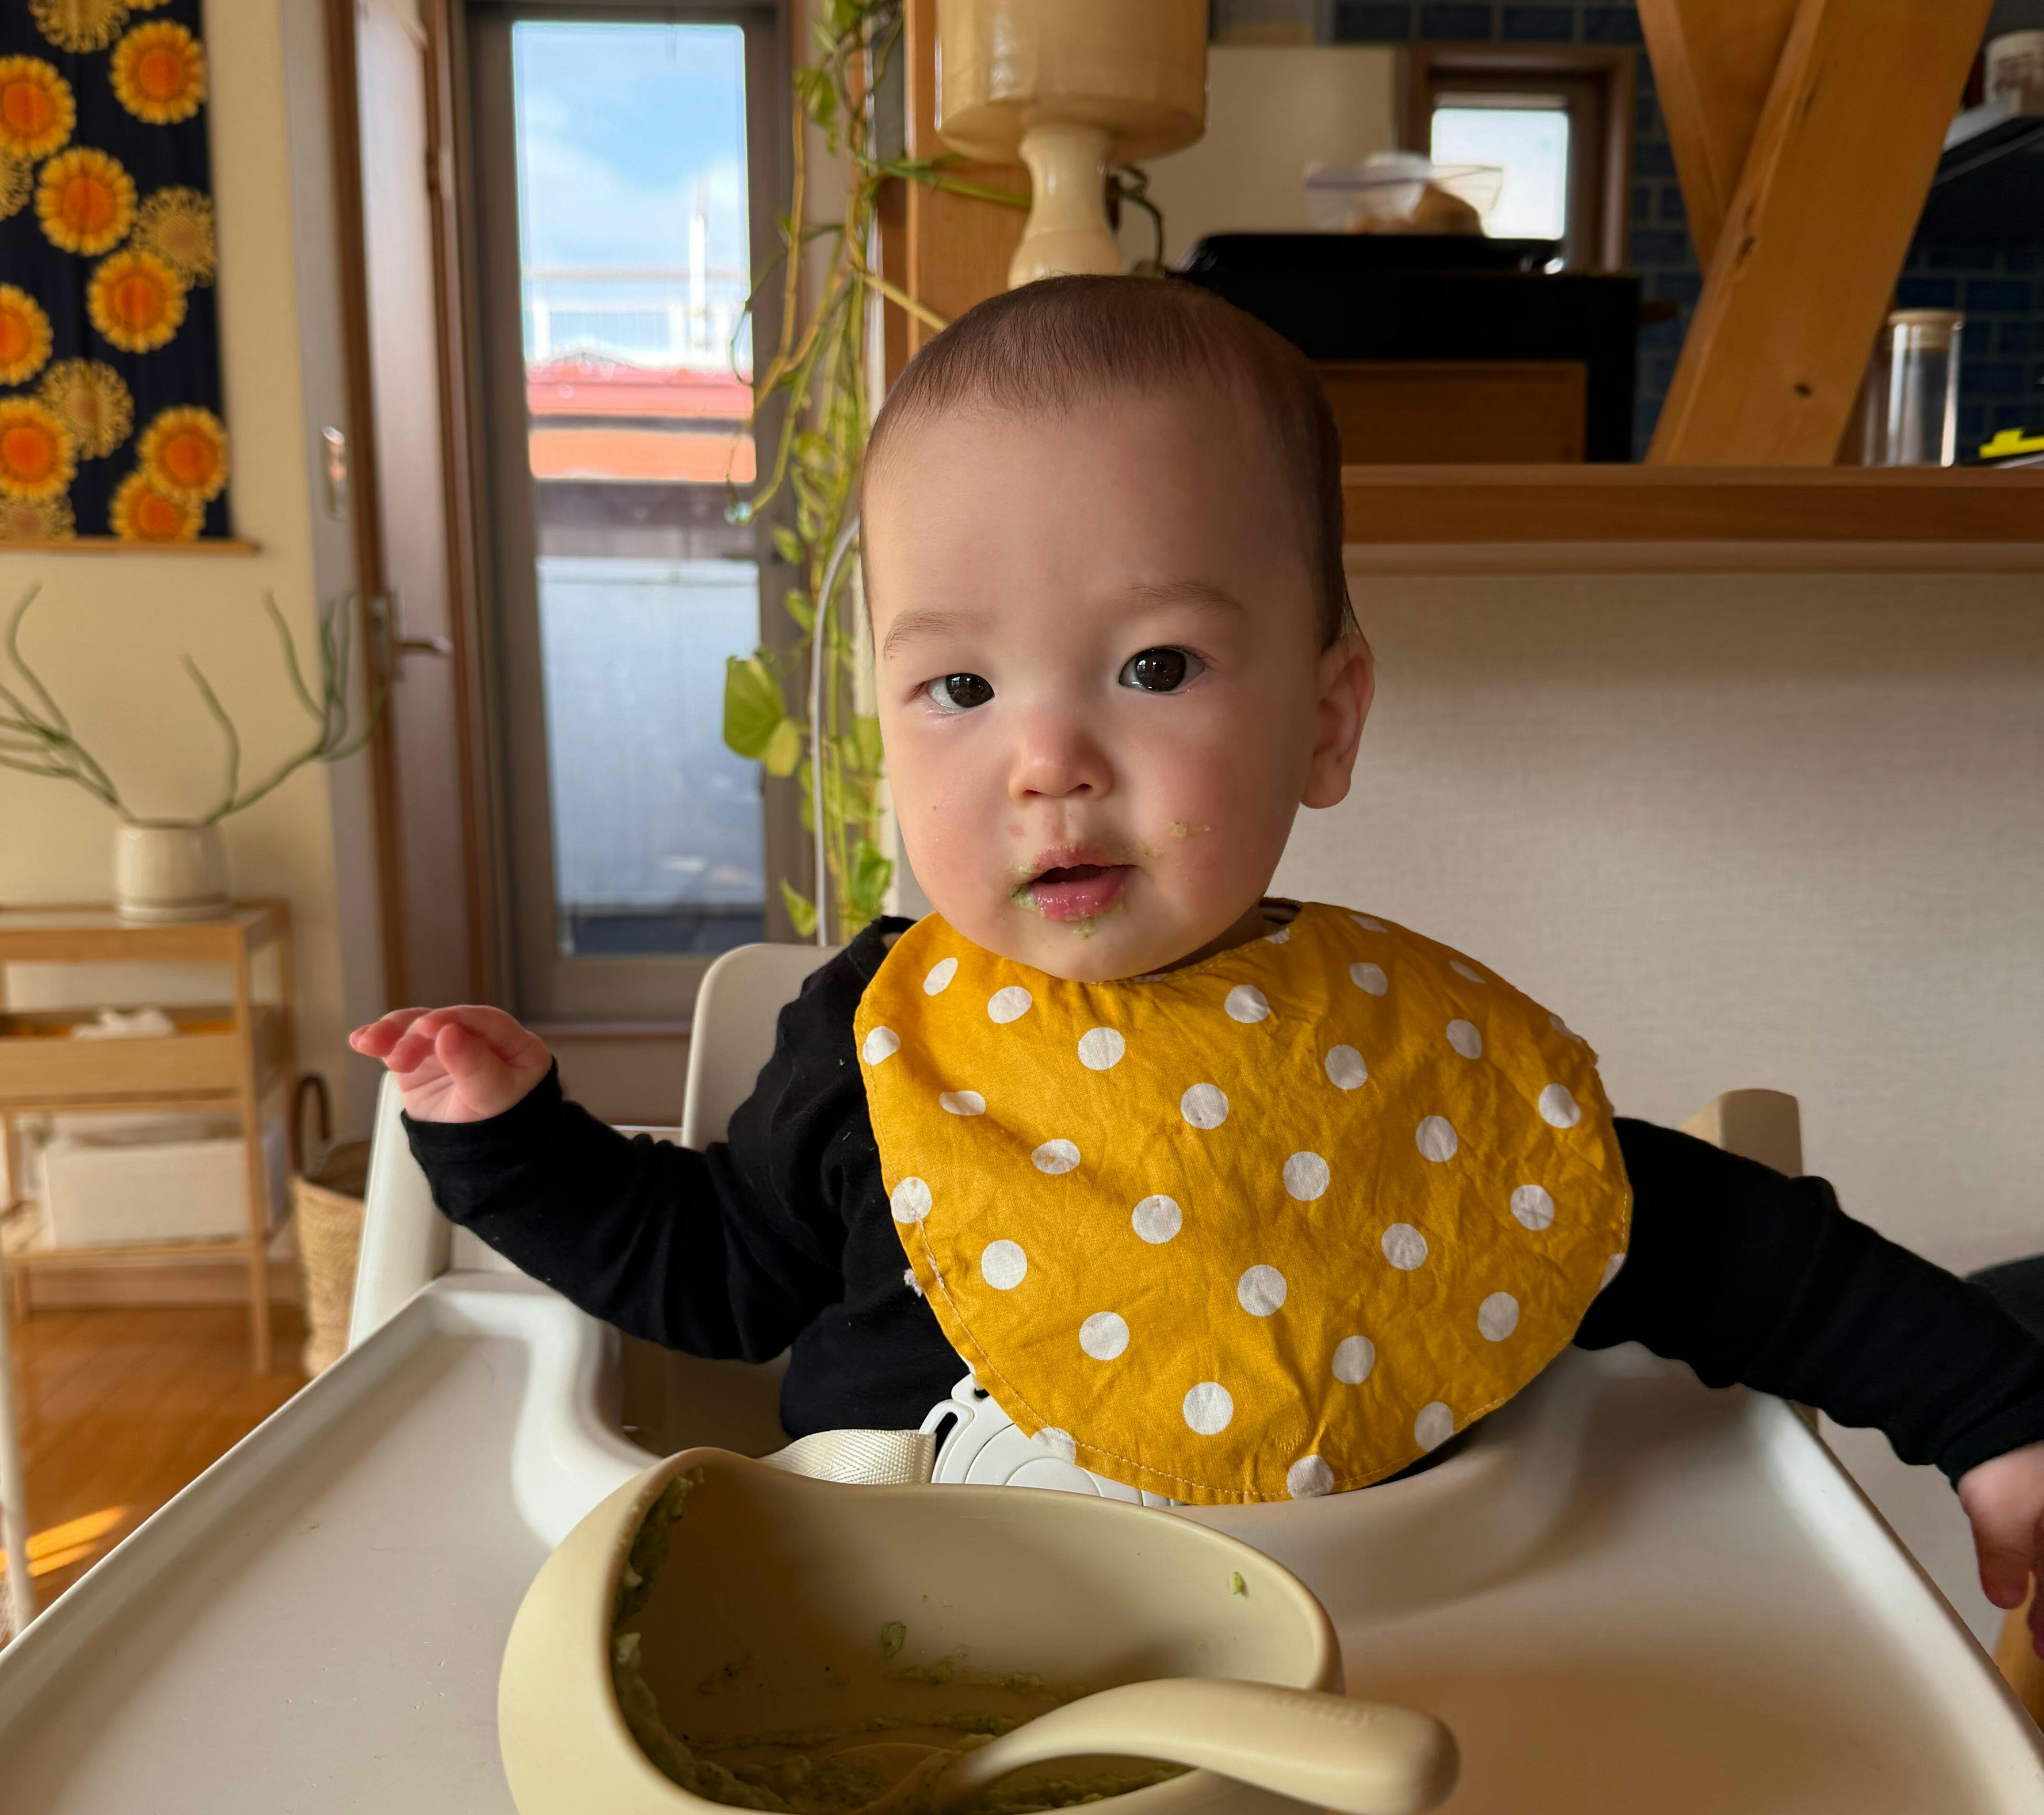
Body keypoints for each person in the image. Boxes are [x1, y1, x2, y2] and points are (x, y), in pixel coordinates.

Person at [353, 277, 2044, 1635]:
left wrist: (1988, 1417)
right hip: (895, 1635)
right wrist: (508, 1134)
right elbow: (710, 1277)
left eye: (1153, 668)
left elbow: (1721, 1251)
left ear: (1324, 719)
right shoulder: (873, 1042)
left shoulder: (1405, 1063)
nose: (1048, 760)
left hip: (1373, 1645)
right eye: (960, 688)